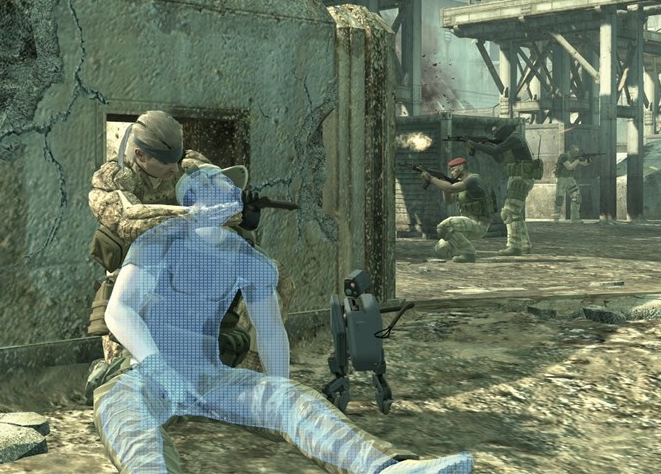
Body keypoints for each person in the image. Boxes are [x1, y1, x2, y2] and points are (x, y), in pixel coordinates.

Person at [93, 164, 474, 474]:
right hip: (146, 373)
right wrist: (159, 370)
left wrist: (277, 391)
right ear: (194, 197)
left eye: (231, 186)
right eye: (220, 184)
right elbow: (119, 311)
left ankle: (387, 468)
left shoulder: (248, 259)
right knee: (127, 420)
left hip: (209, 376)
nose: (233, 191)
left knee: (296, 400)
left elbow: (271, 330)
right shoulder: (159, 241)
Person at [86, 111, 259, 403]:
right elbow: (129, 221)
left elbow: (223, 196)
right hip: (134, 285)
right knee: (126, 380)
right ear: (141, 156)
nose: (174, 169)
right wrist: (192, 216)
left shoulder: (187, 166)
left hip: (185, 279)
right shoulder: (115, 180)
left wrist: (243, 212)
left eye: (176, 160)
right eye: (166, 162)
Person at [467, 120, 542, 256]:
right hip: (516, 177)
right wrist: (487, 146)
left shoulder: (515, 138)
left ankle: (514, 246)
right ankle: (525, 244)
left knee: (509, 212)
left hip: (521, 178)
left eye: (496, 131)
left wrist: (476, 145)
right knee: (515, 212)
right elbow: (499, 158)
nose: (495, 134)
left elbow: (496, 150)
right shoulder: (511, 140)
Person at [420, 158, 493, 263]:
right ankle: (460, 251)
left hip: (479, 223)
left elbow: (451, 188)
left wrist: (431, 178)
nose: (451, 172)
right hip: (467, 224)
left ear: (461, 167)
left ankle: (468, 253)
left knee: (445, 226)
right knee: (440, 249)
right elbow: (449, 200)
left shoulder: (474, 179)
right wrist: (443, 182)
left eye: (453, 169)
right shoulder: (459, 183)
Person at [553, 145, 590, 222]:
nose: (576, 153)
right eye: (575, 151)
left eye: (577, 151)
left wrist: (589, 159)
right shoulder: (564, 156)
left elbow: (585, 164)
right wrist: (577, 161)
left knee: (576, 197)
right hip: (562, 179)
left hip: (570, 179)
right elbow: (569, 167)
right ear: (570, 150)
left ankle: (575, 218)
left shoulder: (573, 158)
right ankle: (556, 218)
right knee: (559, 199)